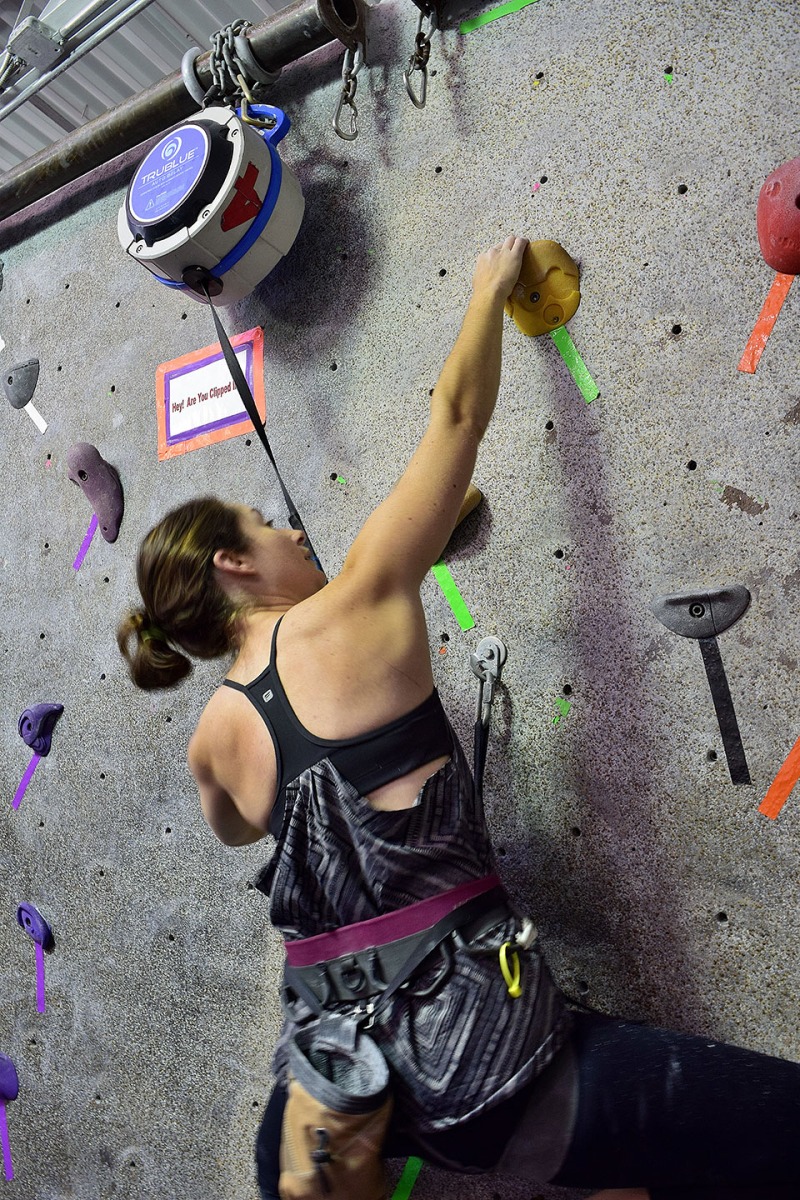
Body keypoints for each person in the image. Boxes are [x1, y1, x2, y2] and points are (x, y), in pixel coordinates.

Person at [118, 237, 800, 1200]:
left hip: (346, 1095)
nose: (293, 532)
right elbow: (456, 417)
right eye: (267, 526)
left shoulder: (210, 747)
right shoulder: (356, 601)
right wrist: (486, 286)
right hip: (492, 1064)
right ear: (234, 566)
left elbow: (237, 829)